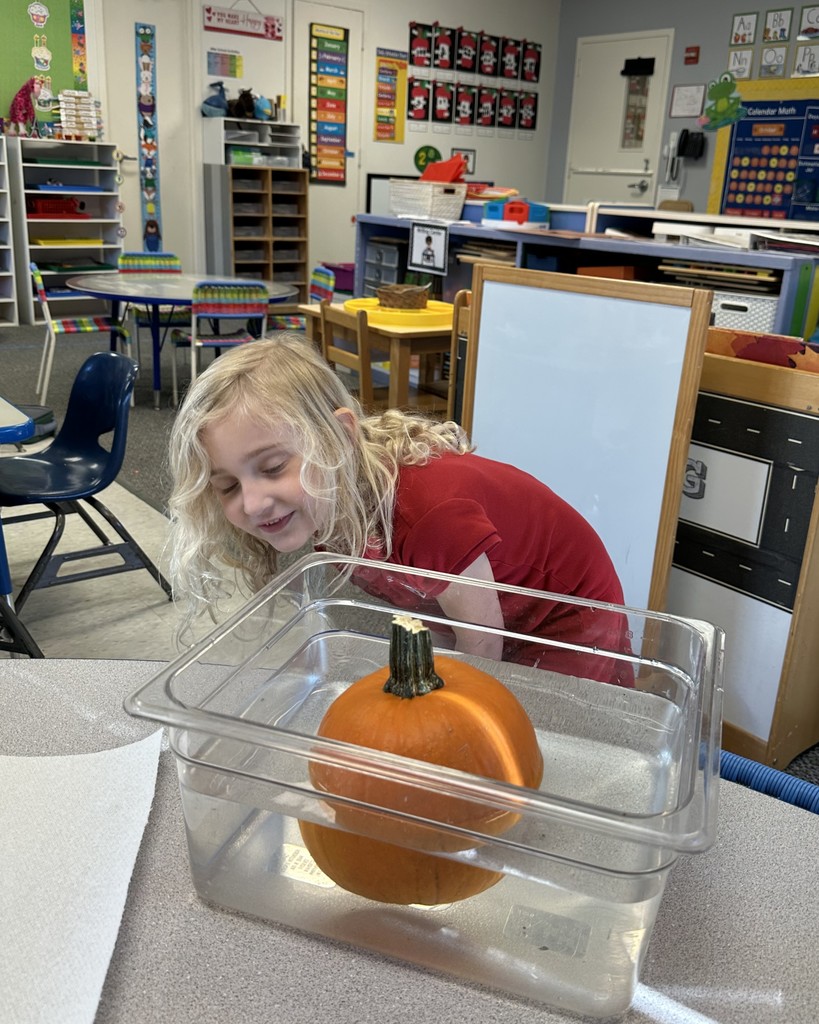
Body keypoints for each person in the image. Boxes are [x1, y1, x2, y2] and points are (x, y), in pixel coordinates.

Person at [167, 334, 632, 685]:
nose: (251, 502)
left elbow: (482, 642)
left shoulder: (425, 514)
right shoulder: (331, 503)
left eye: (272, 467)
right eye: (227, 486)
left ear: (339, 438)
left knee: (560, 733)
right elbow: (444, 617)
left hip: (568, 614)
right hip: (496, 609)